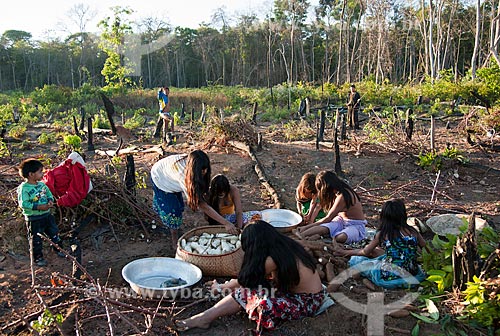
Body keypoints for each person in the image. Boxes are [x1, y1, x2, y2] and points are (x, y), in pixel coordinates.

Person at [175, 220, 325, 333]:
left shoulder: (271, 260)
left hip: (307, 302)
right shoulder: (283, 245)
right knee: (251, 290)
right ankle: (204, 317)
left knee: (250, 295)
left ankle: (203, 318)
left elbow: (245, 281)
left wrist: (221, 287)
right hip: (304, 294)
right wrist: (224, 286)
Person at [150, 150, 238, 249]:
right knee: (173, 212)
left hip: (169, 174)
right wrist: (226, 223)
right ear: (194, 170)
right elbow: (202, 205)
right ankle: (174, 240)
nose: (204, 172)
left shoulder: (195, 163)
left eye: (205, 170)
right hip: (160, 178)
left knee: (179, 204)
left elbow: (201, 194)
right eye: (202, 171)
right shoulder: (182, 176)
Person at [335, 199, 426, 289]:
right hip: (411, 273)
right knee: (382, 254)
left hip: (390, 275)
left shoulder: (383, 234)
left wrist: (344, 252)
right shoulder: (413, 232)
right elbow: (425, 247)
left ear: (384, 217)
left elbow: (365, 252)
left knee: (357, 260)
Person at [17, 158, 64, 267]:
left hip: (46, 215)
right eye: (40, 172)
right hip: (34, 219)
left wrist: (50, 200)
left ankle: (59, 250)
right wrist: (38, 206)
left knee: (54, 233)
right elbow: (23, 204)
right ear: (31, 174)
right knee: (36, 240)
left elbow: (49, 194)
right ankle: (38, 258)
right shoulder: (24, 188)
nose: (42, 173)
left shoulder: (42, 185)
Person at [297, 170, 366, 244]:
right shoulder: (337, 192)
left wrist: (306, 227)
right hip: (340, 220)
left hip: (355, 225)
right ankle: (299, 234)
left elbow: (328, 218)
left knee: (340, 237)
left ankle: (307, 234)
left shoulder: (342, 196)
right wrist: (304, 229)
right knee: (323, 229)